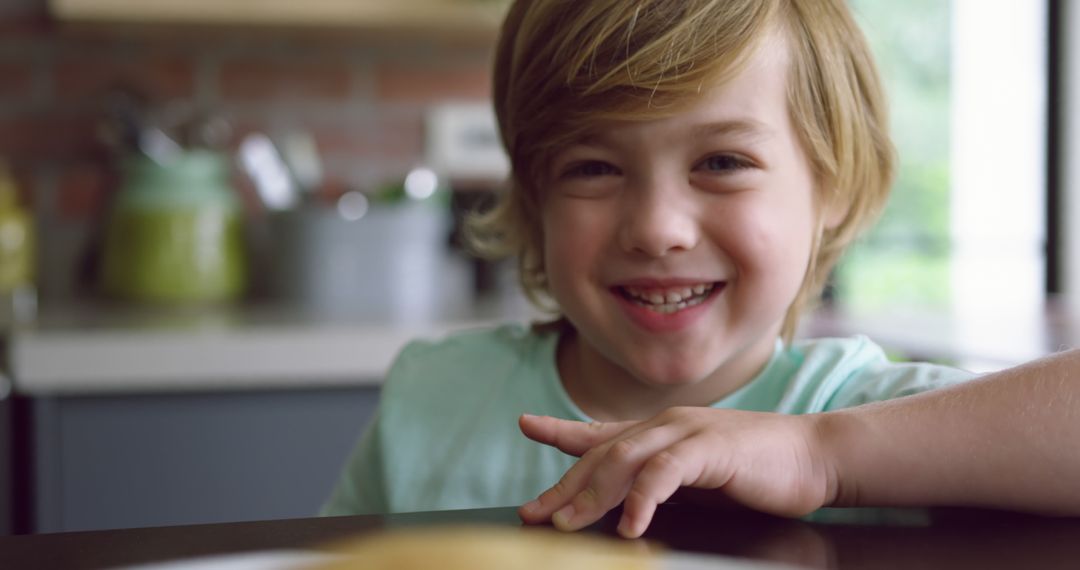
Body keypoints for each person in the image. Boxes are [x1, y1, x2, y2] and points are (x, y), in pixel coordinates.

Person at [322, 0, 1080, 538]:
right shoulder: (433, 395)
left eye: (722, 162)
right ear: (533, 198)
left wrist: (819, 455)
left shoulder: (862, 413)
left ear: (836, 191)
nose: (657, 229)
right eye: (593, 167)